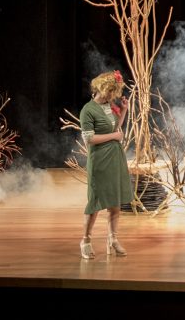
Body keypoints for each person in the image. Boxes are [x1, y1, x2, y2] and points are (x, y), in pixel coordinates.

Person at [79, 70, 134, 259]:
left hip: (115, 158)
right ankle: (86, 240)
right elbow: (89, 139)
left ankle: (112, 239)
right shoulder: (88, 110)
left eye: (114, 92)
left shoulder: (109, 106)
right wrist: (114, 136)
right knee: (95, 202)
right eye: (111, 92)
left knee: (115, 202)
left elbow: (115, 128)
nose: (113, 96)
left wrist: (124, 110)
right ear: (102, 89)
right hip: (99, 160)